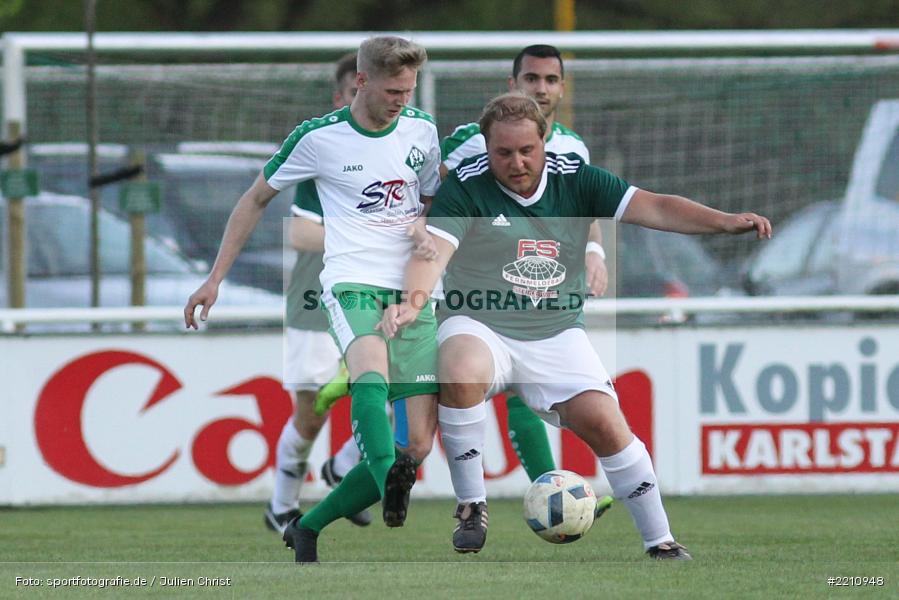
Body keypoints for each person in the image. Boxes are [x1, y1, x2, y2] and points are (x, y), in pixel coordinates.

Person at [380, 93, 772, 559]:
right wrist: (413, 300)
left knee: (606, 424)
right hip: (480, 322)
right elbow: (434, 254)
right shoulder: (466, 187)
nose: (517, 162)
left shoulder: (578, 178)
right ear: (487, 148)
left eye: (527, 150)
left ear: (544, 140)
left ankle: (660, 540)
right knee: (461, 368)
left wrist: (724, 222)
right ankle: (471, 506)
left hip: (557, 332)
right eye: (503, 153)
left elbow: (658, 207)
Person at [184, 36, 442, 564]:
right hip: (351, 282)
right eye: (393, 90)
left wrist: (422, 225)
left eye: (409, 90)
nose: (402, 100)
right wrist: (214, 278)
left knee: (416, 445)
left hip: (414, 290)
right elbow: (255, 198)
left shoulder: (422, 130)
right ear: (361, 81)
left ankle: (308, 525)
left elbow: (430, 199)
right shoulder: (318, 137)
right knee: (368, 372)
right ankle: (384, 481)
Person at [440, 44, 612, 544]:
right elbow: (437, 197)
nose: (541, 88)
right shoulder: (467, 143)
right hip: (477, 294)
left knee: (522, 387)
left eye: (551, 80)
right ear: (512, 85)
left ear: (562, 87)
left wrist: (595, 251)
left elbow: (582, 207)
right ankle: (357, 464)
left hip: (541, 289)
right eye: (531, 79)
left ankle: (553, 491)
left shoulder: (573, 147)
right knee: (432, 394)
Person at [264, 52, 372, 534]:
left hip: (375, 296)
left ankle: (345, 467)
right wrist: (373, 235)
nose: (361, 102)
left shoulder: (399, 149)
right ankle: (281, 504)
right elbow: (301, 234)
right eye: (353, 93)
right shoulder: (323, 149)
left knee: (404, 389)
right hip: (316, 301)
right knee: (309, 418)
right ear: (339, 97)